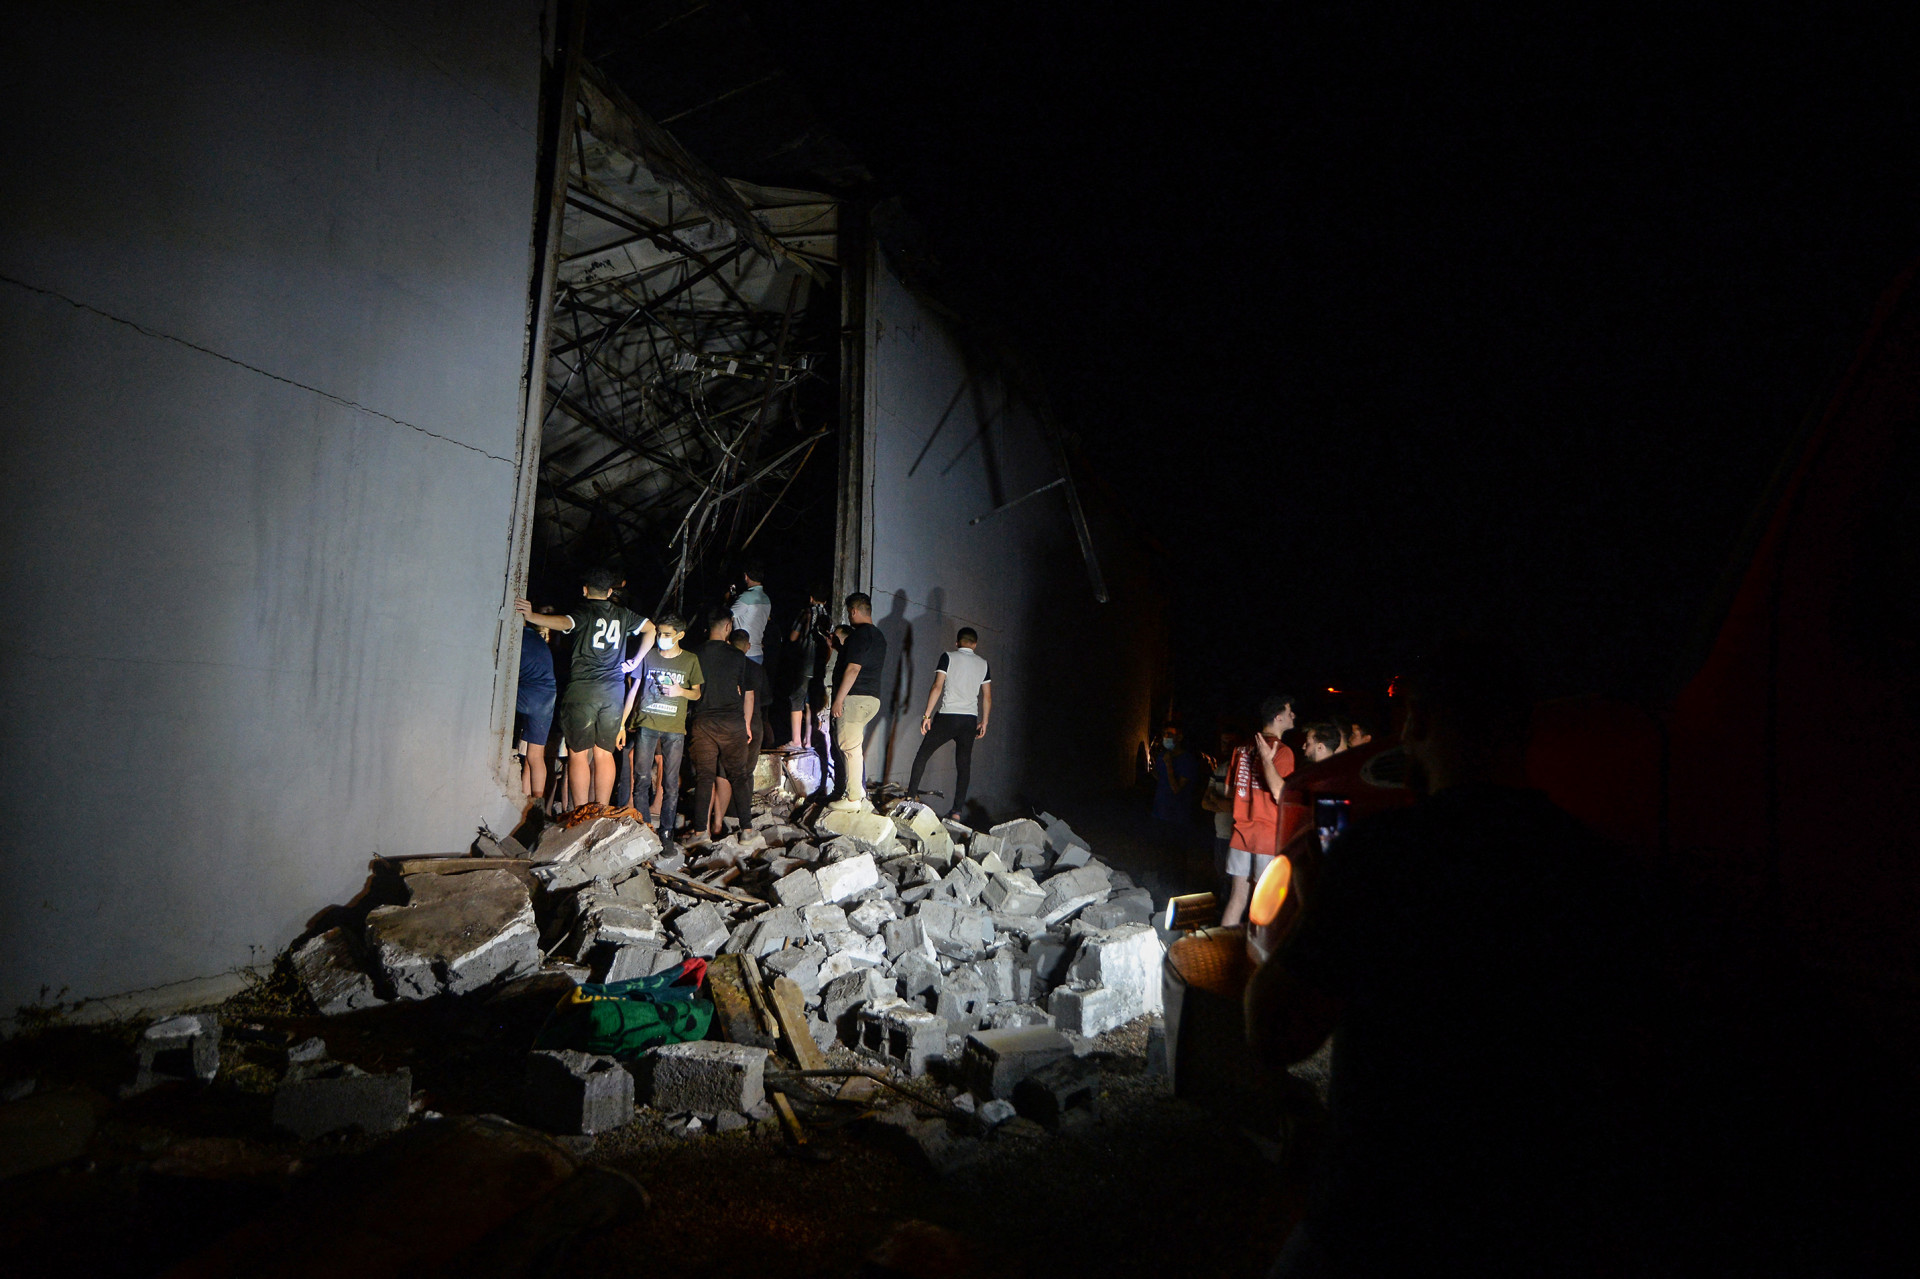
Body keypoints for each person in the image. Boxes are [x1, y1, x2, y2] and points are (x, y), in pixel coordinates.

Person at [1248, 639, 1641, 1274]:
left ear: (1419, 725)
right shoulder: (1598, 869)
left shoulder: (1380, 857)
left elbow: (1275, 1031)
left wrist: (1319, 912)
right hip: (1533, 1225)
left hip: (1379, 1221)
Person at [517, 570, 654, 810]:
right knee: (604, 753)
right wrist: (635, 660)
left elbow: (562, 622)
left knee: (578, 754)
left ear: (585, 590)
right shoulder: (623, 614)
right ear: (610, 592)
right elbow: (651, 629)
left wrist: (532, 616)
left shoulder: (583, 611)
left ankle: (581, 812)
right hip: (613, 693)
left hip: (582, 691)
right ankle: (601, 810)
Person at [616, 613, 700, 841]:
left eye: (667, 634)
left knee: (671, 784)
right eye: (660, 633)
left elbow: (697, 693)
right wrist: (622, 724)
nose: (661, 637)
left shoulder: (690, 660)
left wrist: (680, 691)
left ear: (680, 635)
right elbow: (634, 690)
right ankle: (644, 829)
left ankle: (666, 832)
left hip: (674, 728)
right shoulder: (649, 656)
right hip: (647, 723)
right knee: (641, 779)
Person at [1221, 694, 1297, 927]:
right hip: (1268, 836)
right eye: (1289, 711)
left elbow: (1228, 792)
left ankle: (1223, 952)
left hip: (1241, 834)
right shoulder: (1283, 751)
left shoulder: (1241, 748)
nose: (1293, 715)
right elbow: (1280, 794)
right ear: (1278, 717)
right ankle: (1256, 958)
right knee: (1263, 904)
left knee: (1237, 899)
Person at [907, 626, 992, 819]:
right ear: (975, 644)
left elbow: (938, 686)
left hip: (948, 716)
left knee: (923, 754)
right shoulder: (984, 664)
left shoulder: (948, 657)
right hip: (969, 720)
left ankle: (910, 797)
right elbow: (987, 697)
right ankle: (957, 811)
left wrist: (927, 715)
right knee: (963, 765)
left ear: (957, 642)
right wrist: (984, 721)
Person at [687, 611, 754, 835]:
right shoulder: (737, 656)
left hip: (703, 722)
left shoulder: (694, 654)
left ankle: (699, 833)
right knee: (739, 775)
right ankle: (747, 830)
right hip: (731, 723)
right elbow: (740, 690)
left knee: (704, 778)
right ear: (728, 627)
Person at [827, 593, 887, 812]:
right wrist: (839, 649)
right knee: (855, 746)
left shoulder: (859, 635)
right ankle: (858, 791)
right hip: (872, 698)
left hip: (855, 698)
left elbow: (853, 668)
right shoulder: (878, 636)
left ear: (853, 611)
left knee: (849, 747)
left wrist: (839, 700)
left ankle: (852, 799)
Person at [514, 612, 558, 812]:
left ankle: (522, 802)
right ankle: (536, 803)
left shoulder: (516, 639)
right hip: (547, 696)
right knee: (535, 754)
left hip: (528, 693)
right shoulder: (535, 638)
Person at [783, 585, 832, 749]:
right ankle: (808, 741)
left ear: (811, 598)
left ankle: (796, 740)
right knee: (812, 703)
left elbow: (793, 636)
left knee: (797, 699)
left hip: (804, 663)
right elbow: (829, 645)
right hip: (818, 667)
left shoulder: (806, 613)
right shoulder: (828, 617)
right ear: (825, 600)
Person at [731, 627, 772, 801]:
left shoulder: (725, 667)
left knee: (729, 769)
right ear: (748, 646)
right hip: (754, 722)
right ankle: (744, 811)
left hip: (730, 721)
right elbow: (766, 699)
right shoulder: (757, 669)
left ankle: (726, 809)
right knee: (747, 770)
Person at [1201, 730, 1241, 887]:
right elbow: (1204, 803)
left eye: (1231, 743)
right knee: (1222, 879)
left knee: (1235, 883)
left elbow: (1233, 806)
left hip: (1237, 836)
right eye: (1224, 742)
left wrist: (1216, 799)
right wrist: (1224, 803)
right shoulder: (1220, 770)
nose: (1227, 746)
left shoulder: (1244, 771)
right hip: (1221, 835)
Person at [1151, 725, 1202, 824]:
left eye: (1169, 734)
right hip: (1158, 811)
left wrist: (1169, 765)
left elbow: (1176, 789)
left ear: (1179, 737)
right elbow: (1160, 777)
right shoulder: (1162, 755)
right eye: (1164, 734)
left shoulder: (1187, 760)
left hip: (1176, 816)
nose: (1165, 737)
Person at [730, 562, 772, 664]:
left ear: (746, 576)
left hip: (743, 653)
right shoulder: (766, 599)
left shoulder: (746, 597)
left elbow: (726, 617)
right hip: (758, 653)